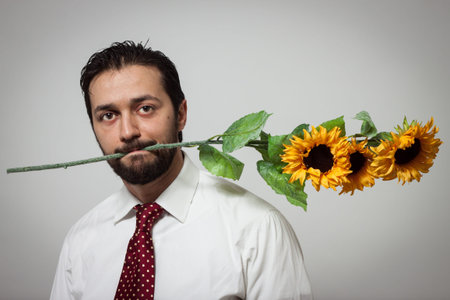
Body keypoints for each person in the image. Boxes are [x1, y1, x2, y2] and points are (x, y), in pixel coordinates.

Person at [50, 41, 313, 300]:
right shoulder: (80, 240)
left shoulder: (257, 229)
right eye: (108, 115)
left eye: (145, 108)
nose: (127, 132)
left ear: (181, 114)